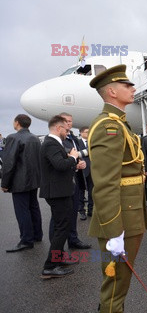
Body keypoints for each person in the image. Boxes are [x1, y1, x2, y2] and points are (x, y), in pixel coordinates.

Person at [88, 65, 147, 312]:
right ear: (111, 91)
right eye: (127, 85)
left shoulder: (121, 123)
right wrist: (114, 231)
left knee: (120, 283)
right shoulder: (108, 127)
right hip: (121, 218)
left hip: (130, 213)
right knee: (115, 285)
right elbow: (105, 184)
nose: (133, 88)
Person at [40, 115, 78, 278]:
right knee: (61, 228)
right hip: (57, 192)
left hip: (60, 190)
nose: (67, 132)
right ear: (58, 128)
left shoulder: (54, 143)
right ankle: (50, 266)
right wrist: (73, 158)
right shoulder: (51, 144)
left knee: (62, 226)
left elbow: (59, 167)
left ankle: (58, 258)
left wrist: (74, 164)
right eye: (66, 129)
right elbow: (60, 165)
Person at [1, 114, 43, 252]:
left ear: (17, 122)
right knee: (33, 207)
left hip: (20, 181)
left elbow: (9, 162)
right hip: (34, 180)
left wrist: (5, 183)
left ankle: (26, 240)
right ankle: (37, 235)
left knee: (22, 210)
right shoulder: (35, 138)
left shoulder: (13, 137)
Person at [59, 112, 91, 249]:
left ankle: (73, 239)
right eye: (66, 121)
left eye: (70, 121)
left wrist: (80, 163)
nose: (69, 123)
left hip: (76, 178)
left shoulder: (73, 138)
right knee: (61, 218)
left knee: (72, 214)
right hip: (64, 181)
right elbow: (62, 158)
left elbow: (76, 155)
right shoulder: (57, 140)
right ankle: (57, 252)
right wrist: (74, 163)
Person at [77, 126, 94, 219]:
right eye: (87, 132)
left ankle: (91, 209)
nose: (88, 134)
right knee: (81, 192)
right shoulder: (77, 143)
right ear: (81, 133)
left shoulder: (92, 142)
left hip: (92, 170)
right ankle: (81, 210)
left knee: (92, 191)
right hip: (81, 170)